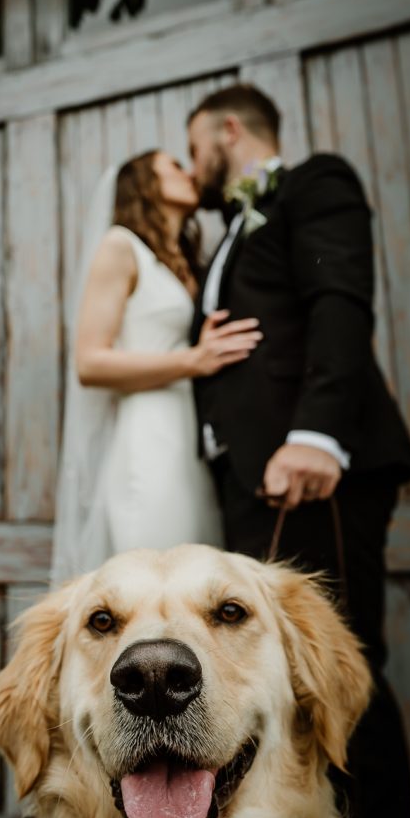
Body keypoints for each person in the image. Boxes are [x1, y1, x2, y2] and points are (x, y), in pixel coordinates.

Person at [187, 84, 410, 818]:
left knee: (338, 678)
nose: (195, 167)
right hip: (254, 486)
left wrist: (317, 433)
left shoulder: (311, 180)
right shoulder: (226, 231)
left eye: (196, 147)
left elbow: (339, 301)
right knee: (278, 690)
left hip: (312, 472)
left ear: (227, 129)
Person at [50, 149, 261, 586]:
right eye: (174, 166)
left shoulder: (180, 257)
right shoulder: (120, 246)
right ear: (144, 184)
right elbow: (89, 362)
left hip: (190, 438)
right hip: (148, 438)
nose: (189, 173)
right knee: (154, 580)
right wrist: (193, 360)